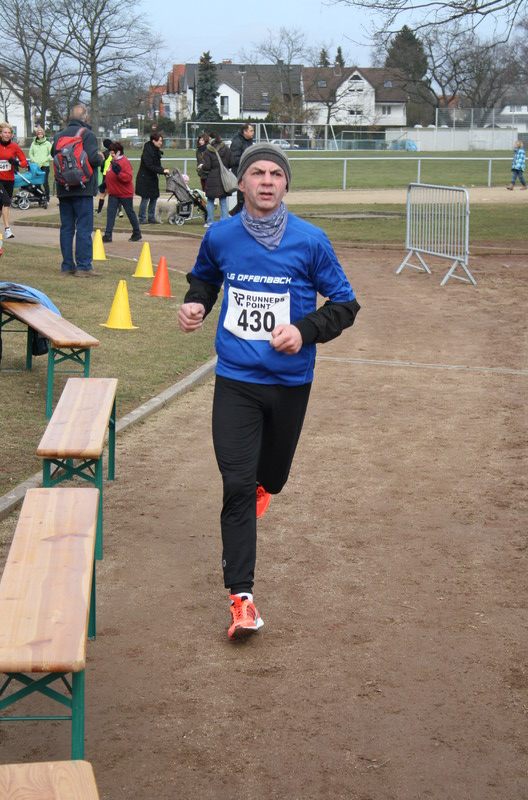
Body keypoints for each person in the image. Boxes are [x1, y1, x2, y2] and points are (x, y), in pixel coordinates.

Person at [178, 143, 360, 641]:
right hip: (236, 380)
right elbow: (204, 279)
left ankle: (265, 486)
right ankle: (242, 599)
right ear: (240, 183)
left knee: (271, 478)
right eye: (256, 172)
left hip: (289, 383)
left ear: (285, 184)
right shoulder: (220, 235)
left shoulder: (310, 241)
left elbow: (345, 304)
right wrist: (195, 304)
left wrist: (304, 330)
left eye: (275, 174)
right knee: (236, 484)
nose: (266, 181)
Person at [51, 104, 104, 276]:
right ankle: (84, 266)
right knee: (83, 227)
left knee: (66, 227)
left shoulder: (59, 136)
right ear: (86, 118)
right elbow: (93, 159)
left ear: (69, 118)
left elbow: (54, 155)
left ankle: (67, 265)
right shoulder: (87, 135)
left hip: (64, 187)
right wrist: (102, 157)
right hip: (83, 187)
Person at [102, 141, 142, 243]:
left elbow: (128, 178)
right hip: (113, 193)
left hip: (125, 193)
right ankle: (108, 235)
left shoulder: (125, 162)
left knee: (130, 213)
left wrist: (119, 173)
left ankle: (137, 233)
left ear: (119, 152)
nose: (111, 155)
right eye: (110, 153)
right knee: (110, 214)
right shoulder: (112, 161)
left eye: (113, 153)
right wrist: (105, 184)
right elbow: (109, 174)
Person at [0, 122, 28, 239]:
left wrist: (16, 162)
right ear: (0, 134)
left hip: (9, 179)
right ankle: (7, 229)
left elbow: (24, 162)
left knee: (1, 206)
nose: (7, 135)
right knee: (6, 201)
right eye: (5, 132)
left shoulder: (14, 147)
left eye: (9, 133)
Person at [135, 132, 170, 224]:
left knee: (154, 197)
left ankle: (151, 217)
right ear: (154, 141)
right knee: (145, 198)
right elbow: (149, 165)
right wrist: (162, 171)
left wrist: (163, 170)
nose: (161, 143)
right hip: (145, 178)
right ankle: (142, 218)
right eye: (160, 141)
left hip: (153, 177)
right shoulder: (148, 151)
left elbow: (156, 165)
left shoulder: (156, 150)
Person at [200, 131, 232, 227]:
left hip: (212, 177)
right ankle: (224, 221)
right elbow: (232, 162)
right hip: (223, 177)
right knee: (223, 200)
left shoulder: (208, 151)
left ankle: (210, 221)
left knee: (210, 200)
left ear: (210, 139)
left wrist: (202, 167)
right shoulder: (226, 149)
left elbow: (207, 166)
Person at [228, 122, 255, 216]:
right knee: (242, 196)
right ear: (245, 131)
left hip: (248, 171)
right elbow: (234, 159)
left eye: (253, 131)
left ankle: (237, 213)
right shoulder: (237, 142)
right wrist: (247, 160)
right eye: (251, 131)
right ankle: (237, 214)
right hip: (240, 172)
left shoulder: (249, 141)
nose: (253, 133)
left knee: (248, 195)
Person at [28, 125, 52, 202]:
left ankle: (47, 198)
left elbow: (50, 153)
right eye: (38, 134)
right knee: (37, 183)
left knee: (45, 182)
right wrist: (34, 160)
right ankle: (40, 197)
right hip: (36, 166)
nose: (40, 135)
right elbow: (31, 153)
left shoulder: (47, 143)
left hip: (45, 165)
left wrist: (44, 160)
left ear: (43, 134)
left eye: (41, 133)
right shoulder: (33, 143)